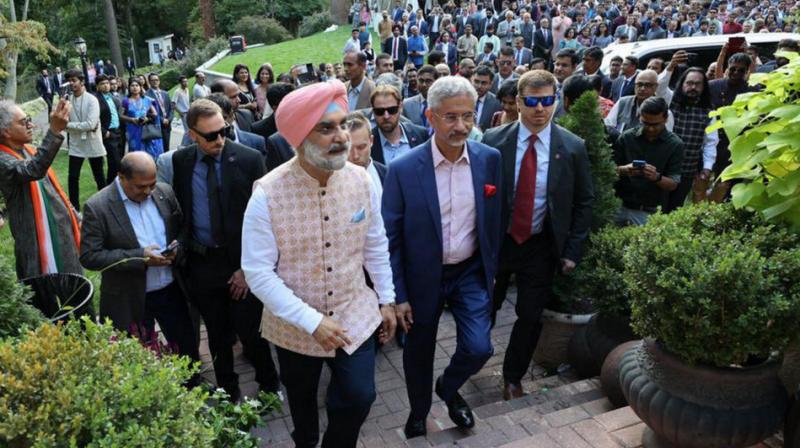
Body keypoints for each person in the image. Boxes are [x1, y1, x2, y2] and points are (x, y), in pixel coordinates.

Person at [241, 81, 396, 448]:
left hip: (353, 312)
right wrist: (312, 321)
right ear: (299, 137)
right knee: (302, 406)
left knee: (360, 396)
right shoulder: (266, 194)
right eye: (326, 128)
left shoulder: (362, 180)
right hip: (293, 326)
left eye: (342, 124)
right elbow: (258, 274)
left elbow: (375, 243)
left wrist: (386, 297)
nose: (341, 136)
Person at [382, 75, 502, 439]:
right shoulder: (403, 170)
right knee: (418, 350)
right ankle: (419, 413)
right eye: (451, 117)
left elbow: (495, 218)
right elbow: (391, 238)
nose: (461, 126)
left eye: (467, 116)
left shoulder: (490, 160)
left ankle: (448, 389)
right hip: (421, 278)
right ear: (431, 118)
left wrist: (490, 270)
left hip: (469, 272)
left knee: (479, 346)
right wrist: (398, 295)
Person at [481, 69, 593, 401]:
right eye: (532, 101)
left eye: (547, 101)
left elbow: (585, 200)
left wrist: (572, 250)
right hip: (499, 242)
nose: (540, 109)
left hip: (540, 244)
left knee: (530, 316)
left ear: (556, 102)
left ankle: (513, 376)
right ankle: (474, 353)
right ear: (518, 102)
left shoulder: (572, 147)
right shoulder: (493, 141)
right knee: (485, 306)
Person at [171, 99, 280, 402]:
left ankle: (270, 386)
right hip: (203, 264)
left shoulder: (249, 159)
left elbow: (266, 221)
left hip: (242, 263)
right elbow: (185, 211)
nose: (219, 139)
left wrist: (247, 269)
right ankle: (227, 393)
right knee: (217, 336)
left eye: (224, 131)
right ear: (192, 134)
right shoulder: (181, 163)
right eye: (210, 136)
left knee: (251, 333)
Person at [79, 152, 199, 365]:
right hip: (129, 296)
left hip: (171, 290)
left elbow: (181, 229)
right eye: (140, 187)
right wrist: (139, 257)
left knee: (186, 348)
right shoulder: (98, 207)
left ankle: (192, 387)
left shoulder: (164, 192)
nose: (148, 191)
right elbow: (89, 256)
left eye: (152, 184)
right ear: (121, 177)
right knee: (137, 358)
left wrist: (177, 247)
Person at [0, 99, 82, 279]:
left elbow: (54, 191)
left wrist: (75, 217)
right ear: (5, 131)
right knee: (47, 300)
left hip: (62, 233)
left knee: (77, 290)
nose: (31, 124)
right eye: (23, 122)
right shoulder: (3, 160)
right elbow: (33, 169)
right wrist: (54, 131)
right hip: (36, 243)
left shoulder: (28, 150)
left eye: (29, 118)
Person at [613, 97, 683, 225]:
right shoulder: (626, 138)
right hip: (619, 206)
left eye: (656, 124)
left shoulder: (675, 145)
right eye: (646, 123)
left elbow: (673, 183)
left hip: (648, 211)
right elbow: (608, 171)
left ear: (666, 119)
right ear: (640, 117)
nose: (650, 129)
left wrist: (656, 177)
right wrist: (625, 170)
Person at [664, 68, 718, 212]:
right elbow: (661, 86)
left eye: (697, 84)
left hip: (687, 170)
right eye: (689, 83)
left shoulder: (709, 111)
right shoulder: (669, 102)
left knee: (674, 209)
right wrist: (670, 67)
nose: (693, 87)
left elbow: (710, 143)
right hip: (663, 167)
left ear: (703, 87)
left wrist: (707, 168)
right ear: (682, 84)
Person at [64, 69, 106, 210]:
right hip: (76, 144)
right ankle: (74, 208)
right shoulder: (67, 100)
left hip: (93, 142)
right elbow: (60, 121)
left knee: (99, 176)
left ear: (82, 82)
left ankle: (105, 206)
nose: (71, 83)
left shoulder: (92, 99)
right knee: (73, 177)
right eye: (69, 80)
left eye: (74, 80)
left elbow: (91, 124)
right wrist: (70, 125)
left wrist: (68, 125)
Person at [370, 84, 428, 165]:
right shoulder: (368, 143)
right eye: (379, 111)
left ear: (400, 107)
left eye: (392, 110)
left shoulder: (421, 135)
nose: (386, 116)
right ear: (373, 111)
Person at [606, 69, 674, 132]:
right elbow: (608, 126)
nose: (642, 88)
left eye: (648, 85)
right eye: (639, 84)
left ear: (656, 87)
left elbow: (666, 139)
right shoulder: (622, 102)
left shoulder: (664, 111)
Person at [121, 78, 164, 160]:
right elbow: (121, 115)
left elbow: (155, 114)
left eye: (137, 85)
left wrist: (147, 119)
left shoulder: (147, 100)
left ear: (140, 87)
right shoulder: (126, 101)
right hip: (133, 130)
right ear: (129, 88)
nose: (134, 87)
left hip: (146, 129)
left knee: (149, 152)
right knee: (135, 153)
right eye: (132, 85)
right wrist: (132, 119)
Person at [347, 111, 387, 193]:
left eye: (361, 147)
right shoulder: (330, 181)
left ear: (371, 141)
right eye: (348, 149)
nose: (355, 156)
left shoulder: (387, 175)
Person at [95, 75, 123, 186]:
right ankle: (111, 185)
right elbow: (94, 119)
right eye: (102, 84)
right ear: (97, 86)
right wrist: (103, 132)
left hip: (118, 132)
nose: (106, 85)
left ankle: (115, 184)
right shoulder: (96, 100)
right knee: (114, 162)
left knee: (119, 161)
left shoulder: (113, 98)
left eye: (107, 83)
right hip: (108, 133)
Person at [146, 73, 173, 149]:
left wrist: (169, 119)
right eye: (152, 80)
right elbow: (148, 112)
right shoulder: (147, 95)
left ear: (159, 81)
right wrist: (162, 120)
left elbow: (171, 109)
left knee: (166, 147)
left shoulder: (165, 93)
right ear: (149, 82)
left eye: (156, 80)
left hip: (167, 125)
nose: (155, 82)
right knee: (158, 148)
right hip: (156, 125)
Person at [472, 65, 502, 131]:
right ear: (471, 80)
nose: (479, 86)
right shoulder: (461, 99)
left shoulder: (497, 103)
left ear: (490, 84)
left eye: (484, 83)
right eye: (476, 81)